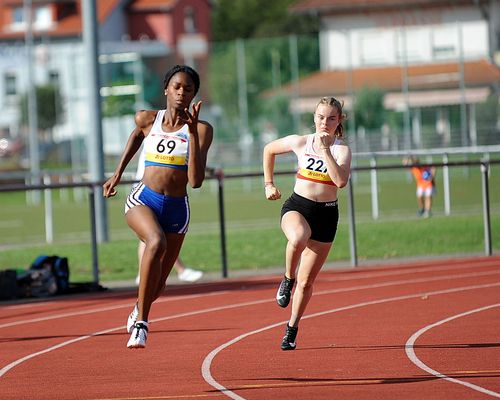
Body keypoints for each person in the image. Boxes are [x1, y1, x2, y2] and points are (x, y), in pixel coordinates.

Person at [102, 65, 213, 349]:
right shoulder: (147, 118)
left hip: (177, 208)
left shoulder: (202, 129)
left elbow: (196, 181)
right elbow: (136, 136)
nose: (181, 93)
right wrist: (117, 173)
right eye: (176, 87)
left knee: (159, 284)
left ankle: (139, 308)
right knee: (155, 242)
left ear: (194, 95)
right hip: (144, 198)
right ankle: (142, 324)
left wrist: (192, 134)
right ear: (166, 89)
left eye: (188, 89)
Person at [263, 96, 352, 351]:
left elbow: (340, 181)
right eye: (321, 117)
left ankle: (292, 328)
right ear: (314, 117)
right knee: (298, 237)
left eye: (331, 118)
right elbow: (268, 149)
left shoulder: (341, 150)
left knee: (307, 282)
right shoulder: (300, 141)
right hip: (298, 206)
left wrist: (325, 150)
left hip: (326, 214)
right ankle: (286, 279)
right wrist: (269, 184)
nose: (325, 123)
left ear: (339, 121)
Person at [133, 148, 203, 285]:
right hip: (148, 191)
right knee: (157, 237)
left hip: (158, 190)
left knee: (151, 238)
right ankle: (180, 270)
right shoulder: (155, 135)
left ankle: (143, 275)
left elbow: (185, 160)